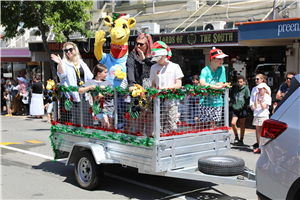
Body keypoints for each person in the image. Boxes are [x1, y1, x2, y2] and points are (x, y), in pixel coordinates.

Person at [51, 42, 93, 126]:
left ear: (75, 50)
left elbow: (90, 76)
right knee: (72, 121)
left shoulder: (81, 62)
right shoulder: (63, 63)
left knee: (85, 120)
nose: (68, 52)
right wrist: (59, 63)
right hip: (70, 96)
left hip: (83, 94)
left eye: (70, 49)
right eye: (66, 50)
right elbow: (61, 74)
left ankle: (85, 138)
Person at [124, 33, 155, 135]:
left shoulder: (153, 55)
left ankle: (150, 138)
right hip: (138, 89)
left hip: (151, 88)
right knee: (138, 115)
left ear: (147, 45)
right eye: (137, 44)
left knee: (151, 115)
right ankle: (136, 137)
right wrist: (131, 84)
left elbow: (155, 65)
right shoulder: (132, 54)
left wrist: (144, 59)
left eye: (141, 44)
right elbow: (130, 69)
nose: (138, 46)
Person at [150, 41, 184, 133]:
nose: (157, 60)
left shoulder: (175, 67)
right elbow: (153, 84)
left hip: (172, 101)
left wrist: (164, 88)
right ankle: (158, 143)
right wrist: (153, 91)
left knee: (172, 124)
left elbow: (178, 85)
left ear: (164, 55)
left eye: (158, 58)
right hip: (158, 101)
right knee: (158, 125)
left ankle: (171, 144)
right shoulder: (153, 67)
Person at [198, 47, 228, 128]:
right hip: (205, 102)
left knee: (213, 125)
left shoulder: (222, 68)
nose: (222, 61)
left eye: (222, 59)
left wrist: (210, 86)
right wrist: (216, 86)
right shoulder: (205, 70)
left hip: (217, 102)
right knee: (204, 126)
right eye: (219, 59)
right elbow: (202, 83)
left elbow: (221, 83)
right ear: (212, 59)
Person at [78, 64, 114, 129]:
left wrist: (105, 88)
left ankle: (105, 138)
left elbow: (111, 94)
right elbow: (80, 90)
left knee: (110, 127)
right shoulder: (91, 82)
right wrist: (89, 87)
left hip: (110, 107)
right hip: (99, 109)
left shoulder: (107, 82)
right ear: (98, 74)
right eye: (105, 72)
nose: (107, 74)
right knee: (106, 125)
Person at [249, 73, 271, 150]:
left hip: (263, 113)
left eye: (257, 79)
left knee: (263, 130)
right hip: (256, 112)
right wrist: (253, 107)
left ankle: (263, 145)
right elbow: (252, 99)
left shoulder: (267, 88)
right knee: (257, 129)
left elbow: (266, 101)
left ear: (262, 79)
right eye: (255, 79)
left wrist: (260, 102)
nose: (256, 80)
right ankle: (259, 145)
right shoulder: (254, 88)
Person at [231, 75, 250, 146]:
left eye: (241, 82)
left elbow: (248, 98)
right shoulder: (235, 89)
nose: (239, 83)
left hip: (242, 109)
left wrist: (246, 106)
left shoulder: (246, 89)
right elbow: (233, 97)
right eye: (238, 82)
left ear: (244, 82)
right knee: (233, 123)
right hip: (235, 108)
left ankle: (241, 139)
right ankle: (236, 136)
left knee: (242, 124)